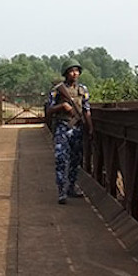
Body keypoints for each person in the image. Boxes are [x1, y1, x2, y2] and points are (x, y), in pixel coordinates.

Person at [46, 59, 94, 204]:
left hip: (77, 128)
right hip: (62, 127)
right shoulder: (57, 90)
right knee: (61, 159)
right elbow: (48, 110)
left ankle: (71, 188)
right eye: (72, 71)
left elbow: (87, 110)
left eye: (77, 70)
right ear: (66, 73)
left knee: (75, 160)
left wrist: (90, 128)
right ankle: (61, 191)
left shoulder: (83, 90)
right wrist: (62, 106)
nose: (75, 73)